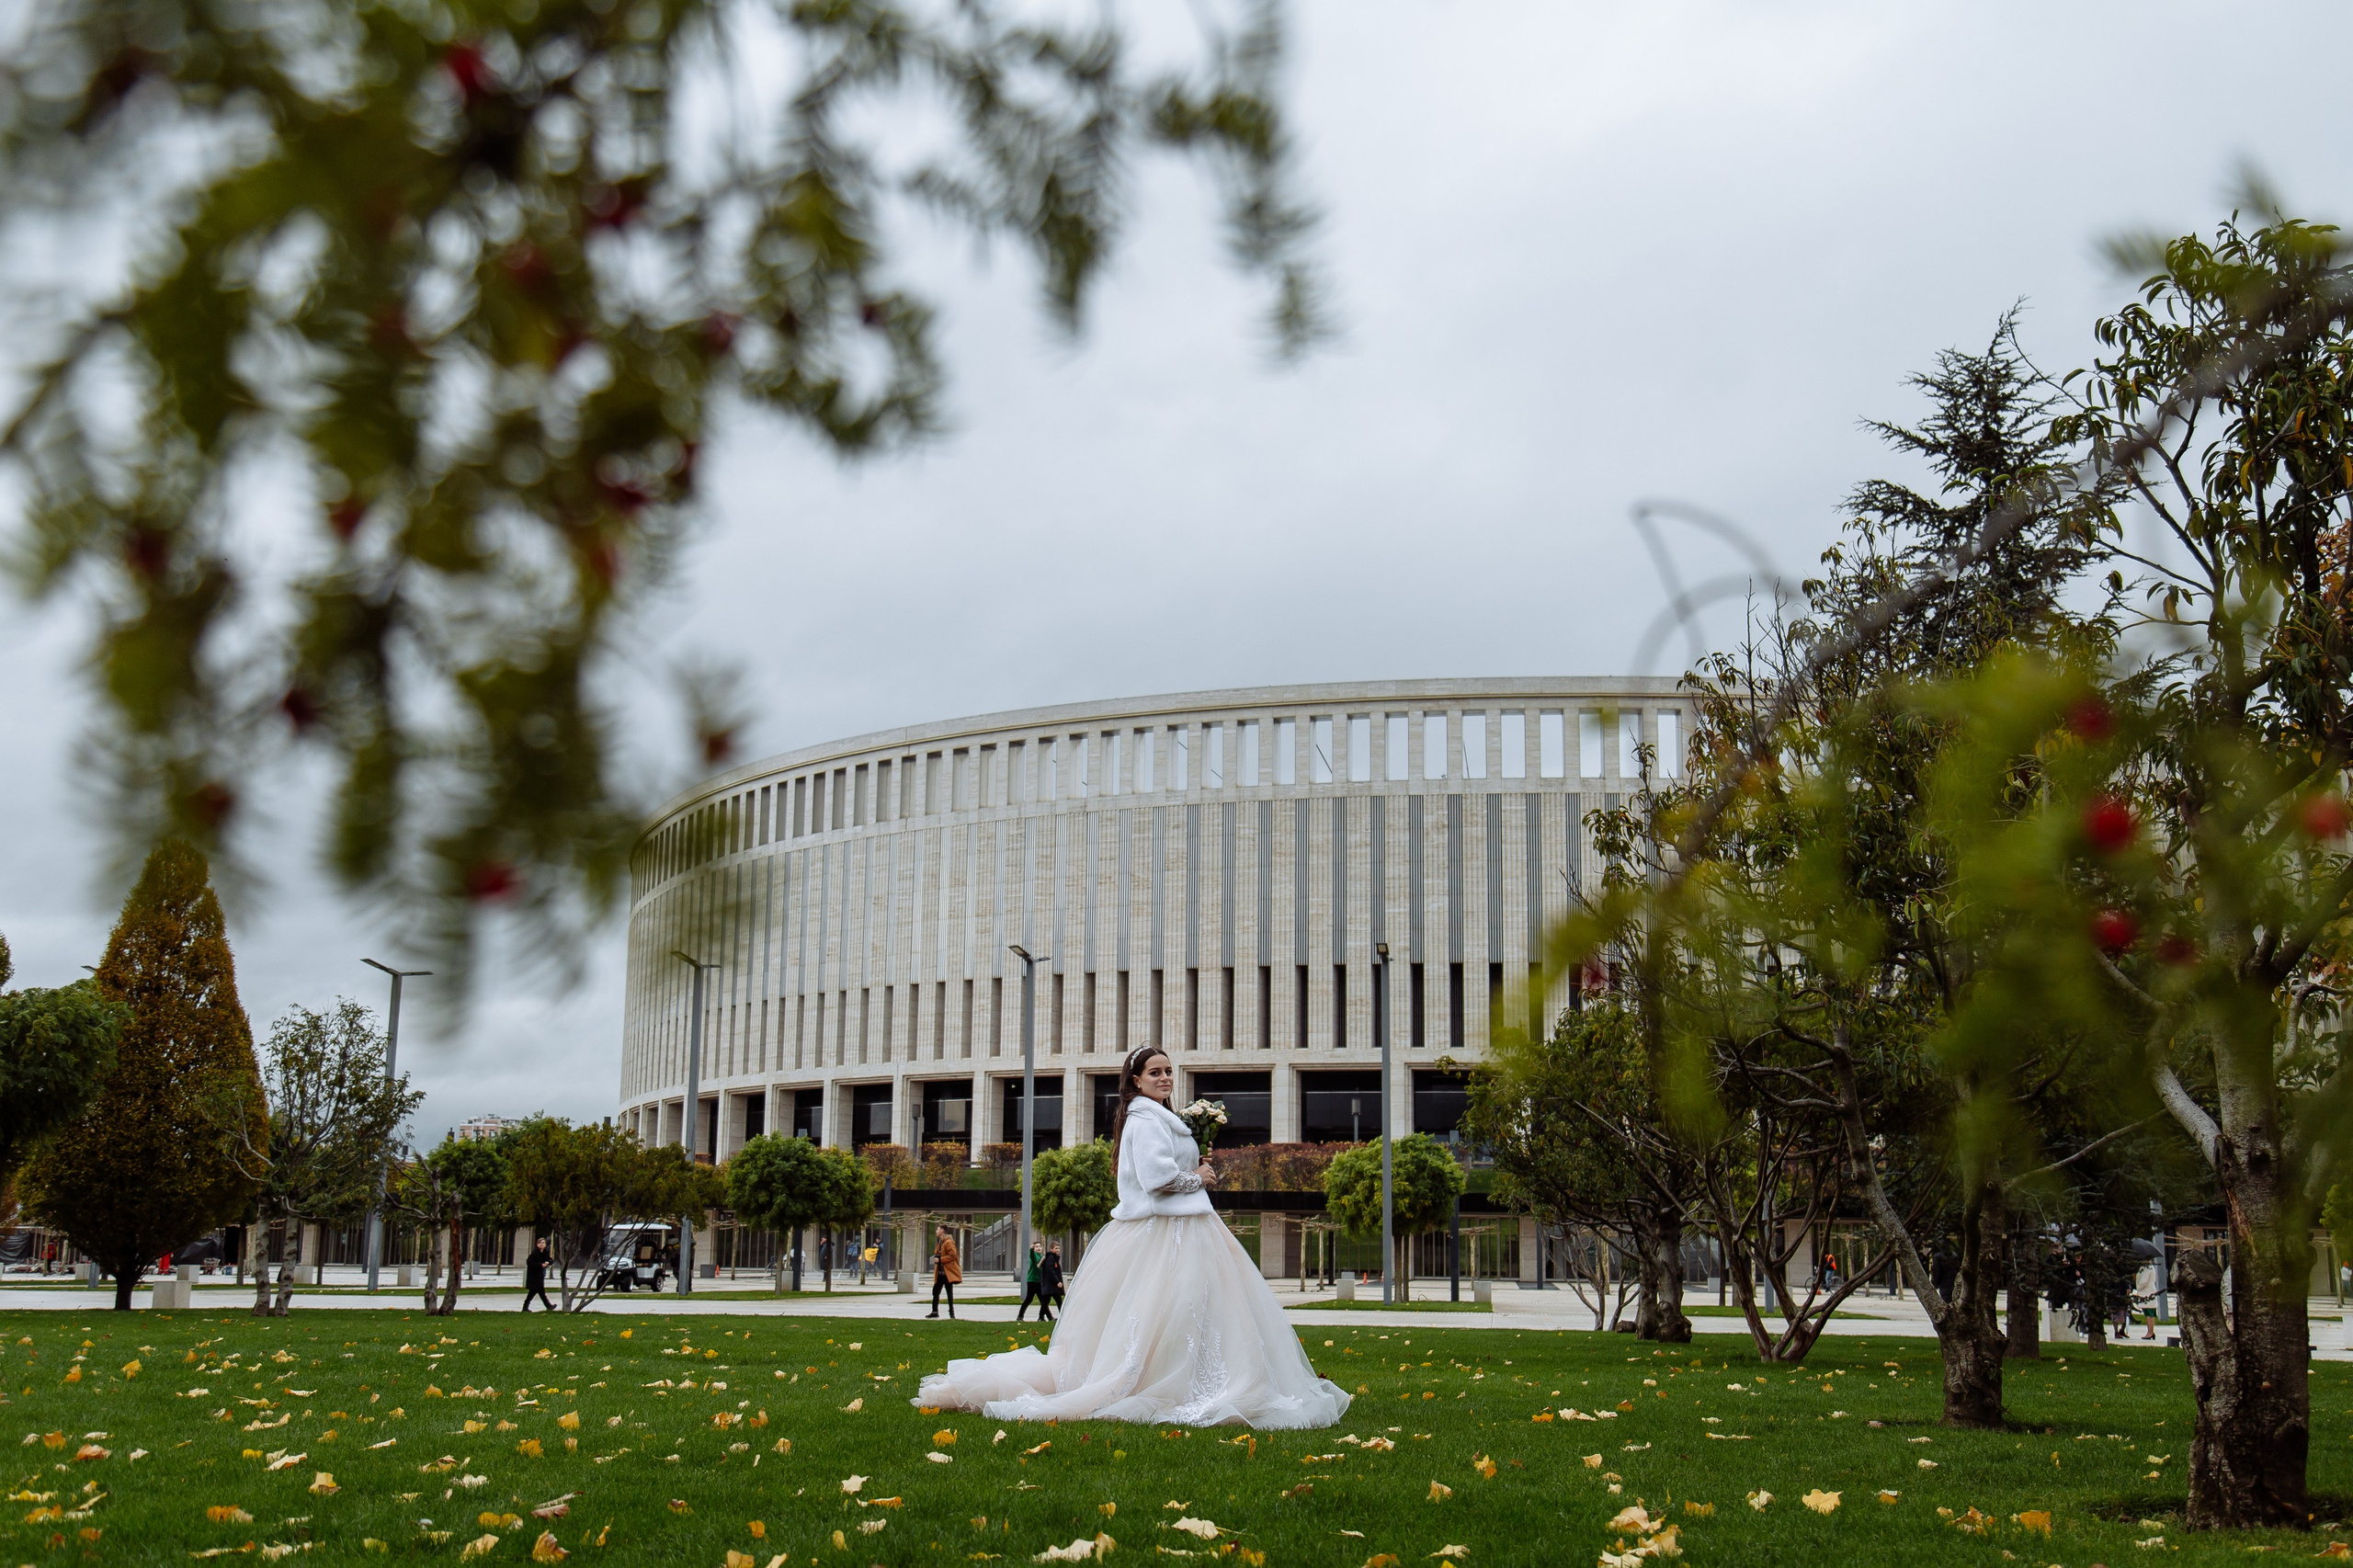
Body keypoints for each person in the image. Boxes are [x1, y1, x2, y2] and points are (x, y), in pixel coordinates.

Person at [912, 1045, 1350, 1427]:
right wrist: (1197, 1177)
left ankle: (1198, 1378)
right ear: (1136, 1081)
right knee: (1170, 1311)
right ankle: (1168, 1383)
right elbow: (1157, 1180)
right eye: (1155, 1072)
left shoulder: (1158, 1118)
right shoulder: (1145, 1120)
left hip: (1184, 1227)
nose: (1165, 1077)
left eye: (1168, 1071)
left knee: (1195, 1312)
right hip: (1166, 1231)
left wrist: (1195, 1163)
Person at [1017, 1242, 1054, 1324]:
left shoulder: (1041, 1256)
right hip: (1032, 1281)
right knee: (1029, 1299)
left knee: (1043, 1300)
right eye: (1036, 1247)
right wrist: (1031, 1249)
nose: (1038, 1248)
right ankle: (1020, 1316)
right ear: (1034, 1249)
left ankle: (1047, 1317)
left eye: (1040, 1246)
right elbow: (1032, 1255)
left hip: (1040, 1281)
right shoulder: (1034, 1256)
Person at [927, 1229, 961, 1319]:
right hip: (940, 1273)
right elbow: (939, 1253)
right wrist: (937, 1257)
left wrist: (940, 1259)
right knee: (935, 1292)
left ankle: (951, 1313)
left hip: (947, 1273)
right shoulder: (940, 1242)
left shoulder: (948, 1242)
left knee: (949, 1293)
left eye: (938, 1229)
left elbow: (953, 1255)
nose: (936, 1231)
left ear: (942, 1231)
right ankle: (935, 1312)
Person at [522, 1237, 554, 1312]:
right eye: (540, 1243)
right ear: (537, 1244)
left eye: (543, 1243)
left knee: (536, 1292)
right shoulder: (534, 1253)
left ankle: (526, 1307)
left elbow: (550, 1260)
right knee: (538, 1291)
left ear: (545, 1245)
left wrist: (548, 1262)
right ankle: (548, 1306)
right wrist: (540, 1265)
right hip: (534, 1276)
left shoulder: (545, 1253)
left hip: (540, 1275)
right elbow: (530, 1263)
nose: (541, 1244)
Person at [1042, 1243, 1065, 1314]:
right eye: (1056, 1248)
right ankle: (1062, 1315)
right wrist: (1057, 1281)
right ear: (1051, 1249)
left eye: (1058, 1248)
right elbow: (1051, 1271)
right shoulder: (1051, 1258)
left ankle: (1041, 1316)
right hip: (1051, 1285)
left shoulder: (1054, 1258)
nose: (1058, 1250)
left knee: (1047, 1301)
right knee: (1055, 1301)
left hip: (1051, 1285)